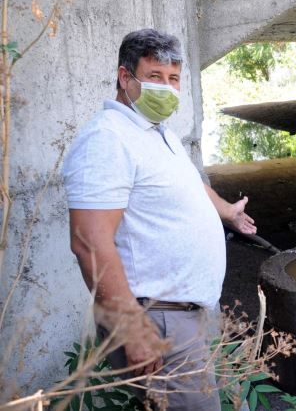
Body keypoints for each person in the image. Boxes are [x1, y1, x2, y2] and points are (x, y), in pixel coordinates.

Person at [62, 28, 255, 410]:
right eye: (154, 77)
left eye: (173, 79)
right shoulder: (108, 139)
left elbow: (190, 184)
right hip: (157, 322)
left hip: (184, 318)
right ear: (124, 77)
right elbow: (88, 242)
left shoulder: (154, 132)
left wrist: (225, 211)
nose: (166, 88)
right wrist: (130, 329)